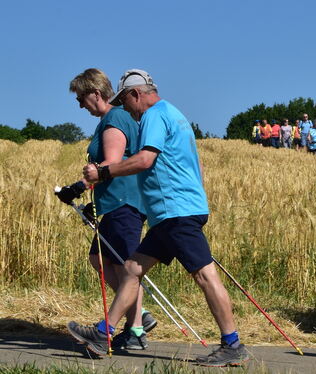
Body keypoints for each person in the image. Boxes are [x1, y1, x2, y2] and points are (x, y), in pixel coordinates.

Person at [68, 69, 249, 366]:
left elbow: (145, 159)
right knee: (131, 268)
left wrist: (103, 172)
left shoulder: (152, 116)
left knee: (204, 275)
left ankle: (232, 343)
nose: (126, 109)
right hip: (172, 211)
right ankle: (104, 333)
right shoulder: (175, 114)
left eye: (125, 101)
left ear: (136, 94)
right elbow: (195, 165)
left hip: (175, 211)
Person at [56, 68, 156, 351]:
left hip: (123, 202)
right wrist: (90, 199)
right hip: (111, 202)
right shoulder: (110, 120)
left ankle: (136, 327)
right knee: (99, 260)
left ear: (95, 93)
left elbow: (110, 165)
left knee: (127, 269)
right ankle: (138, 315)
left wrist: (78, 187)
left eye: (80, 98)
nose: (80, 105)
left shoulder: (114, 118)